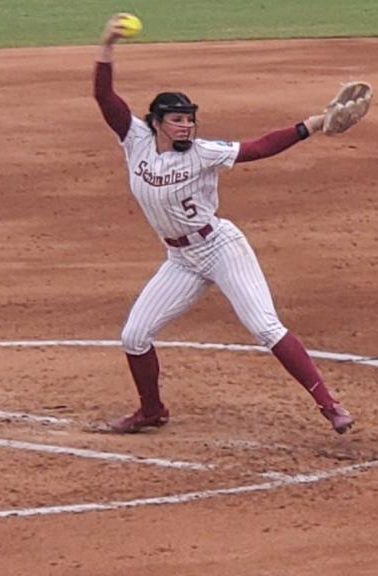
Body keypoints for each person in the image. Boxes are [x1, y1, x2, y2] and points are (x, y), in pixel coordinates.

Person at [92, 14, 355, 434]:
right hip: (180, 260)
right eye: (177, 119)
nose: (186, 125)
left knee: (264, 326)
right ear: (156, 122)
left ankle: (330, 405)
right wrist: (107, 44)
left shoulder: (204, 152)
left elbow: (259, 147)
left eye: (190, 119)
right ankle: (152, 411)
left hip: (220, 248)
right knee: (134, 336)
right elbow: (105, 97)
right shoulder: (135, 140)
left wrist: (315, 124)